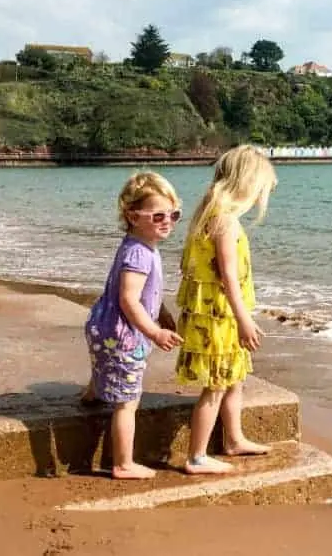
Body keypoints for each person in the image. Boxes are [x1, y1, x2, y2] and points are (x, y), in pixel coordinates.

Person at [176, 145, 277, 474]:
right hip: (221, 317)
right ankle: (196, 457)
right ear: (247, 185)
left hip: (218, 315)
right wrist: (244, 319)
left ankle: (233, 439)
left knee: (235, 380)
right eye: (262, 189)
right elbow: (228, 277)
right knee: (216, 387)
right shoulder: (225, 222)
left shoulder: (209, 215)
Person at [81, 171, 184, 480]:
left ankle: (93, 392)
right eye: (158, 215)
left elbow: (143, 293)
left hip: (104, 326)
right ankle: (123, 463)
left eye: (174, 214)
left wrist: (161, 312)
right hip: (123, 335)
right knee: (128, 402)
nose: (168, 221)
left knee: (105, 363)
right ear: (132, 215)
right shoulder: (140, 253)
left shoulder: (139, 244)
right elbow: (129, 299)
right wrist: (153, 331)